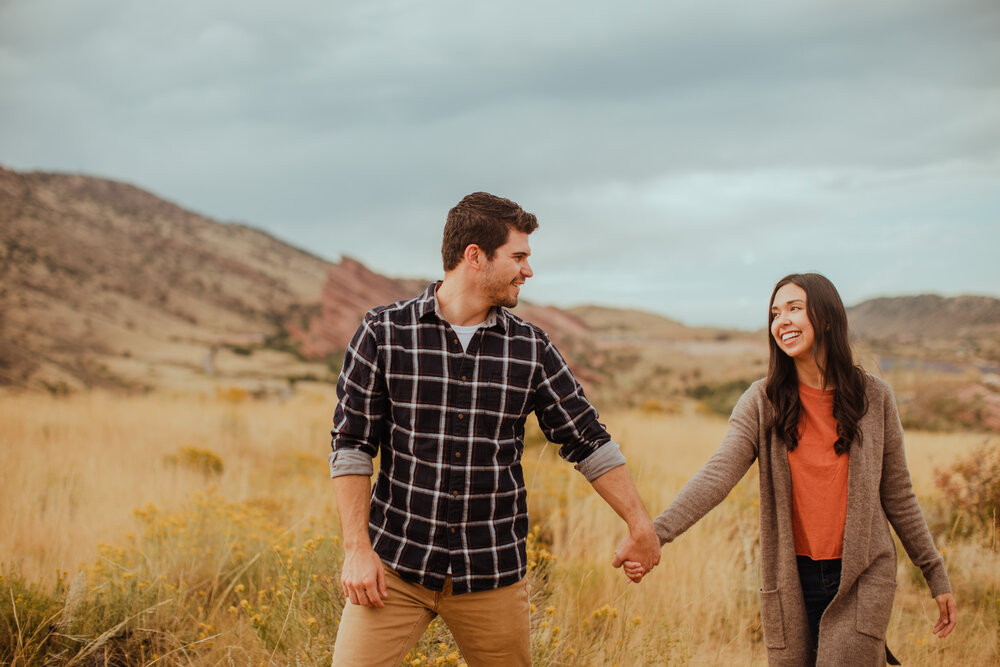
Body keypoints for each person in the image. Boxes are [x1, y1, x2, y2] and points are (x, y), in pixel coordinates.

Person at [328, 192, 660, 666]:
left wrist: (639, 523)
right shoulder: (383, 333)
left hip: (492, 575)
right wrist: (357, 551)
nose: (528, 270)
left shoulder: (530, 347)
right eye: (519, 256)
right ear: (475, 256)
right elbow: (352, 447)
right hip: (393, 569)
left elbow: (587, 439)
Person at [623, 273, 957, 666]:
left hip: (863, 577)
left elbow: (899, 495)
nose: (781, 321)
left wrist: (934, 573)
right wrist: (656, 534)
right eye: (774, 313)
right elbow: (718, 474)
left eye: (794, 309)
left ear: (827, 318)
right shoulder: (762, 402)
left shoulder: (875, 398)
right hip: (790, 578)